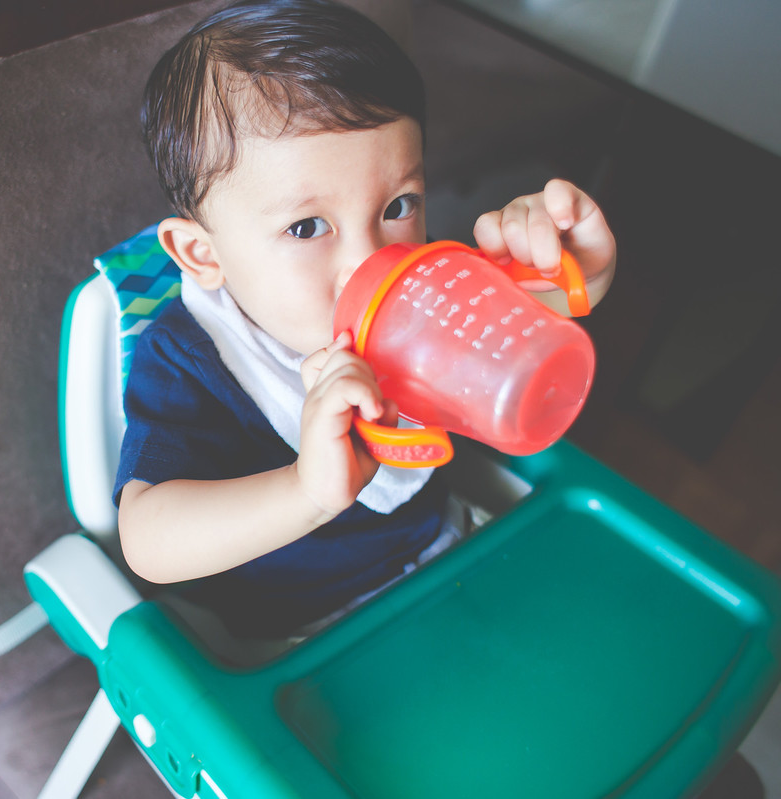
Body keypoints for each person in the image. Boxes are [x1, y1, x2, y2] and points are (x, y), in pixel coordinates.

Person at [114, 0, 617, 638]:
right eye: (306, 227)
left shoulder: (425, 296)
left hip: (444, 555)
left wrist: (576, 275)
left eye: (399, 204)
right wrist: (306, 491)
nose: (369, 260)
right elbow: (148, 542)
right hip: (300, 630)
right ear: (202, 254)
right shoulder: (192, 359)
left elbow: (526, 331)